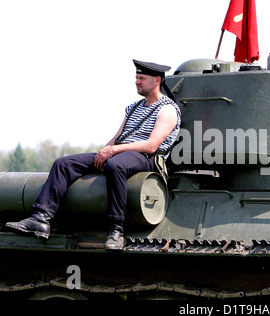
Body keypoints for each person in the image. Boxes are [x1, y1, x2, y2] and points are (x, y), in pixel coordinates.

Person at [5, 59, 181, 250]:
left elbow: (151, 145)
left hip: (144, 158)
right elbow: (117, 138)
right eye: (136, 78)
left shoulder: (167, 109)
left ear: (156, 81)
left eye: (142, 78)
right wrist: (104, 151)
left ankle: (116, 230)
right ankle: (41, 218)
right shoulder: (133, 108)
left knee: (116, 165)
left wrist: (113, 151)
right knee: (63, 164)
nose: (137, 82)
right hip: (120, 152)